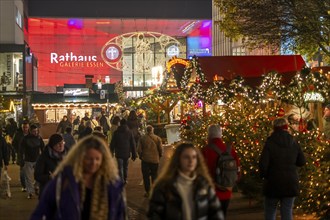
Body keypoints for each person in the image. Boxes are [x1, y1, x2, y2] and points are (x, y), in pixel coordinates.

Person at [30, 135, 127, 220]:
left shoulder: (113, 184)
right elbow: (42, 210)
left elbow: (119, 214)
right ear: (80, 158)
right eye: (89, 159)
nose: (93, 163)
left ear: (104, 160)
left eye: (97, 159)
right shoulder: (63, 181)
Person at [148, 142, 224, 220]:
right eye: (186, 157)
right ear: (178, 159)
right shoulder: (164, 186)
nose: (191, 161)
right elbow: (155, 215)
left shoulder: (203, 184)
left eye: (194, 157)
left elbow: (216, 212)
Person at [259, 118, 306, 220]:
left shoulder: (269, 143)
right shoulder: (293, 142)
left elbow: (263, 165)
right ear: (286, 127)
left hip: (273, 182)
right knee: (287, 211)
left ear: (274, 128)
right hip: (290, 182)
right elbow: (302, 161)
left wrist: (264, 176)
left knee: (270, 210)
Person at [202, 124, 240, 218]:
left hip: (211, 191)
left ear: (209, 135)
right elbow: (238, 169)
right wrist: (232, 183)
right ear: (220, 134)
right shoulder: (230, 149)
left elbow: (200, 172)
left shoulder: (206, 150)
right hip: (227, 190)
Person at [20, 124, 45, 199]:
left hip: (37, 160)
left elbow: (43, 148)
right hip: (28, 161)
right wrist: (21, 160)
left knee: (38, 175)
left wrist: (44, 158)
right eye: (34, 131)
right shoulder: (25, 139)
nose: (36, 133)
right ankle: (30, 192)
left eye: (37, 131)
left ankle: (36, 186)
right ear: (30, 131)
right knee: (28, 178)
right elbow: (21, 150)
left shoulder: (39, 138)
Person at [137, 125, 162, 197]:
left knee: (146, 176)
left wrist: (141, 156)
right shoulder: (157, 138)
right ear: (152, 130)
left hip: (145, 160)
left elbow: (139, 149)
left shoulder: (142, 138)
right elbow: (160, 149)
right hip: (155, 160)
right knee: (154, 175)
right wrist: (159, 156)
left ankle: (148, 191)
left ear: (146, 130)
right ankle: (154, 191)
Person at [110, 118, 137, 184]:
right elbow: (133, 143)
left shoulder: (116, 132)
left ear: (120, 123)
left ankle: (121, 180)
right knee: (125, 167)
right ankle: (125, 179)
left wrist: (111, 152)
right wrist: (134, 154)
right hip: (126, 152)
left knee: (120, 167)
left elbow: (112, 143)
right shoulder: (129, 132)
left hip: (118, 152)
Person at [12, 121, 29, 191]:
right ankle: (24, 186)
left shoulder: (31, 134)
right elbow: (13, 143)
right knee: (22, 171)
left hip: (30, 155)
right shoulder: (18, 134)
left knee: (31, 171)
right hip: (21, 155)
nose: (25, 129)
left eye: (26, 127)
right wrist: (18, 151)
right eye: (24, 127)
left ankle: (30, 184)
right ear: (22, 127)